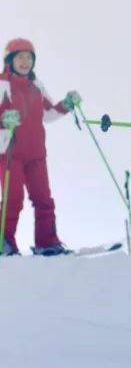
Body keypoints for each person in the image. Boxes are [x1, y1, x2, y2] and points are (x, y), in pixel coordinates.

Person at [0, 39, 80, 256]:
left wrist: (66, 104)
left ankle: (47, 242)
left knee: (43, 199)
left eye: (29, 57)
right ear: (9, 60)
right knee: (13, 200)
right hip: (9, 153)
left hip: (35, 153)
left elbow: (48, 114)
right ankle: (4, 242)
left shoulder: (37, 85)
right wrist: (3, 120)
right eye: (20, 57)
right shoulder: (2, 85)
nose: (25, 62)